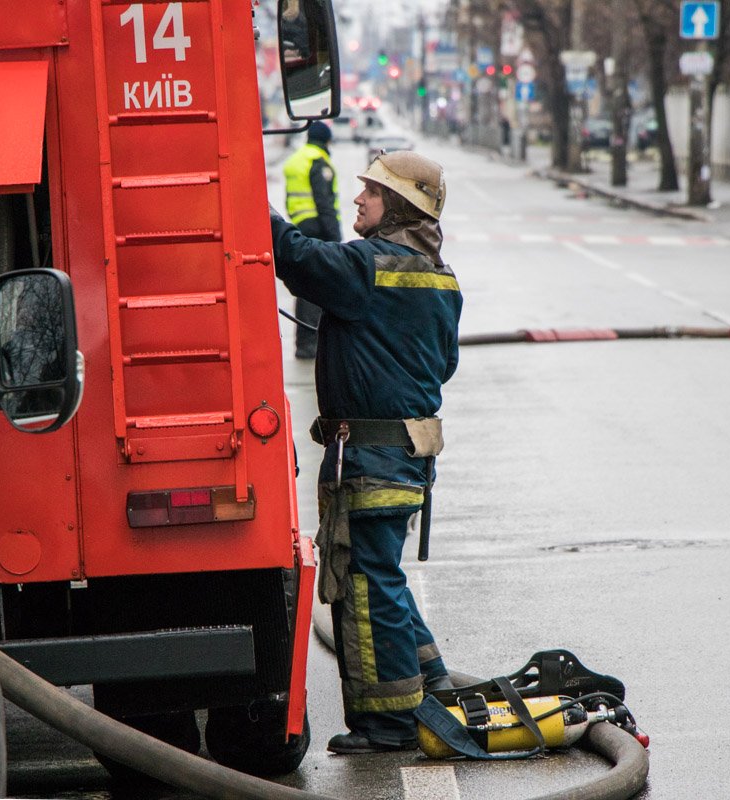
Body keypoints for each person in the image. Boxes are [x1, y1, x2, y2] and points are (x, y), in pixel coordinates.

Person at [269, 151, 460, 754]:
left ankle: (390, 723)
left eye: (371, 194)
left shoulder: (366, 268)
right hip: (408, 457)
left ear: (397, 209)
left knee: (368, 583)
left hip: (370, 461)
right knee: (385, 576)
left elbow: (297, 258)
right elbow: (444, 365)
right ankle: (430, 684)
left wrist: (251, 204)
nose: (358, 201)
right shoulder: (441, 278)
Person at [282, 120, 341, 358]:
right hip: (318, 228)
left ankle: (304, 341)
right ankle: (309, 344)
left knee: (306, 288)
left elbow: (289, 200)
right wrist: (335, 238)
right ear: (326, 140)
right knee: (318, 286)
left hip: (300, 225)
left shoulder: (296, 160)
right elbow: (324, 203)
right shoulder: (318, 162)